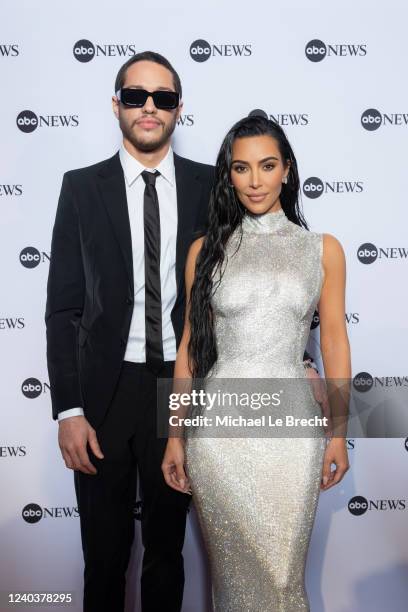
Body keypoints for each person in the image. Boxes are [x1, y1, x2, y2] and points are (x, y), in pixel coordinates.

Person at [45, 51, 215, 612]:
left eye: (163, 98)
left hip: (180, 388)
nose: (149, 107)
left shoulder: (211, 187)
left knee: (167, 553)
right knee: (104, 556)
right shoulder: (80, 188)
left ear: (179, 109)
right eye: (136, 95)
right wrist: (68, 410)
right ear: (116, 105)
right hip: (102, 395)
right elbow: (63, 308)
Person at [162, 116, 351, 611]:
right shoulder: (205, 252)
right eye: (241, 168)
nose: (255, 180)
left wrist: (337, 432)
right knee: (234, 584)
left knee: (284, 577)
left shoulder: (322, 250)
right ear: (228, 175)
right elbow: (190, 349)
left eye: (267, 166)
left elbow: (333, 341)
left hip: (292, 435)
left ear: (286, 170)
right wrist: (175, 436)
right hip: (220, 438)